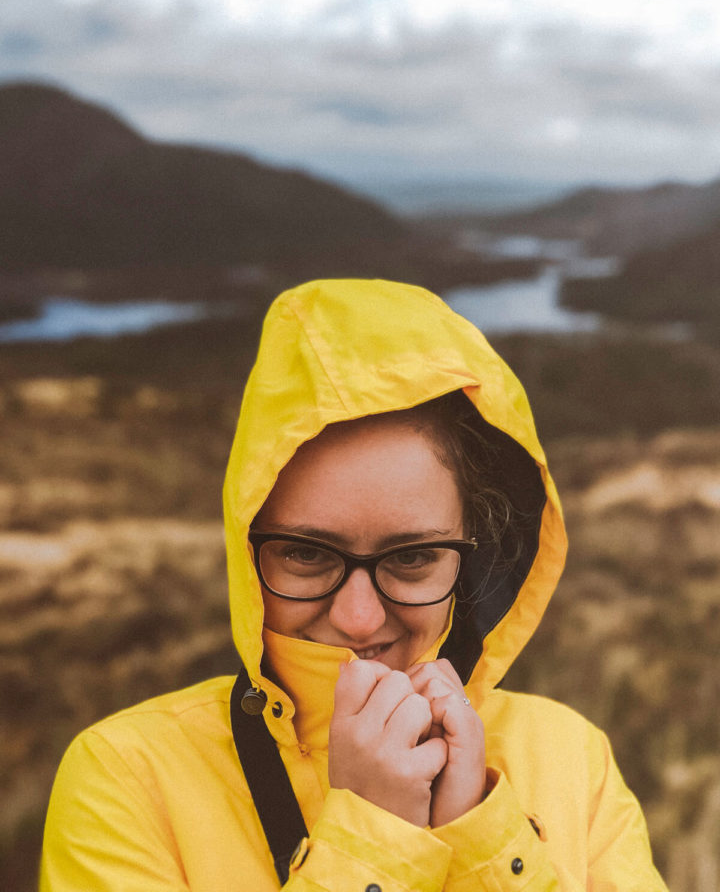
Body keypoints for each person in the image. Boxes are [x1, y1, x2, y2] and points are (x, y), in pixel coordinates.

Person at [40, 278, 668, 891]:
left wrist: (482, 838)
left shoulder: (569, 758)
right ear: (247, 550)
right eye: (307, 555)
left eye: (413, 558)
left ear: (472, 558)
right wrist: (375, 840)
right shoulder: (127, 780)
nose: (361, 618)